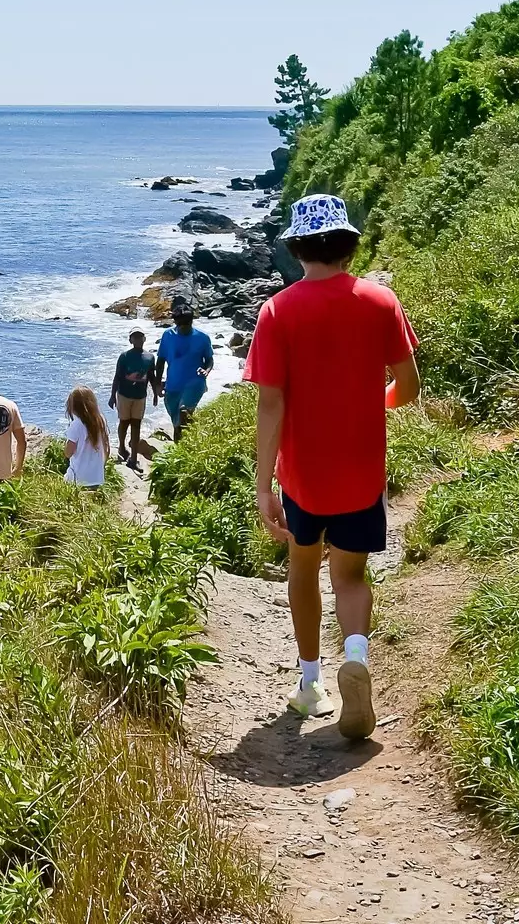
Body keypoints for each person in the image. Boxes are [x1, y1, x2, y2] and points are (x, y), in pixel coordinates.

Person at [245, 193, 419, 742]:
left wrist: (264, 484)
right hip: (362, 473)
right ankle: (358, 656)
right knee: (350, 575)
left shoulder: (277, 312)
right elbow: (407, 386)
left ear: (297, 247)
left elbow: (270, 405)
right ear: (348, 243)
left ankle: (311, 682)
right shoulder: (380, 301)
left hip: (304, 480)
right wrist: (379, 402)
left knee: (304, 570)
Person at [156, 302, 215, 439]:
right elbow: (160, 361)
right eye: (180, 324)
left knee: (184, 412)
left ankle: (185, 451)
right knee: (177, 423)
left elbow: (209, 359)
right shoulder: (168, 335)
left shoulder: (202, 338)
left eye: (187, 323)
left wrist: (206, 371)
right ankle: (185, 444)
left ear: (192, 321)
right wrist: (157, 383)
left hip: (195, 383)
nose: (183, 327)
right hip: (173, 385)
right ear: (176, 323)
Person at [108, 331, 156, 466]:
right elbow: (117, 376)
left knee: (136, 424)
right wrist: (112, 396)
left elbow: (151, 376)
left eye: (140, 337)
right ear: (130, 340)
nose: (138, 339)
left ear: (144, 339)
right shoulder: (124, 357)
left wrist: (155, 395)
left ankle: (134, 458)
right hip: (124, 395)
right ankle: (122, 447)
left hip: (140, 396)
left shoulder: (150, 357)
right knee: (124, 422)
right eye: (135, 337)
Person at [62, 386, 110, 488]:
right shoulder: (101, 420)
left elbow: (68, 453)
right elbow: (106, 447)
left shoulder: (76, 425)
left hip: (78, 478)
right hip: (96, 477)